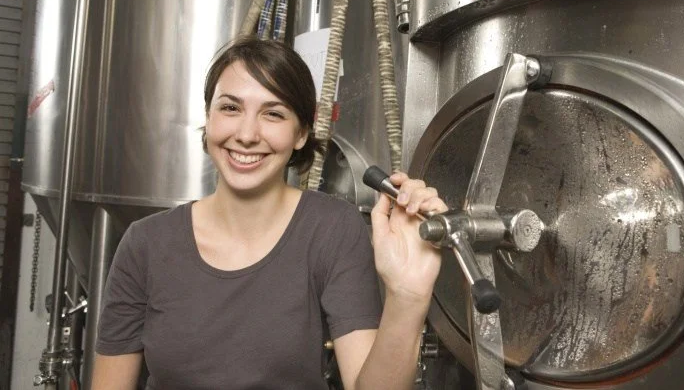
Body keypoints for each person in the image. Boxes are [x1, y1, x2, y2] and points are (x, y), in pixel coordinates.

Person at [92, 37, 448, 390]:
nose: (247, 134)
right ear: (209, 118)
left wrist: (407, 298)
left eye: (273, 113)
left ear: (301, 133)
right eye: (230, 108)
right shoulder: (146, 243)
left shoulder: (332, 229)